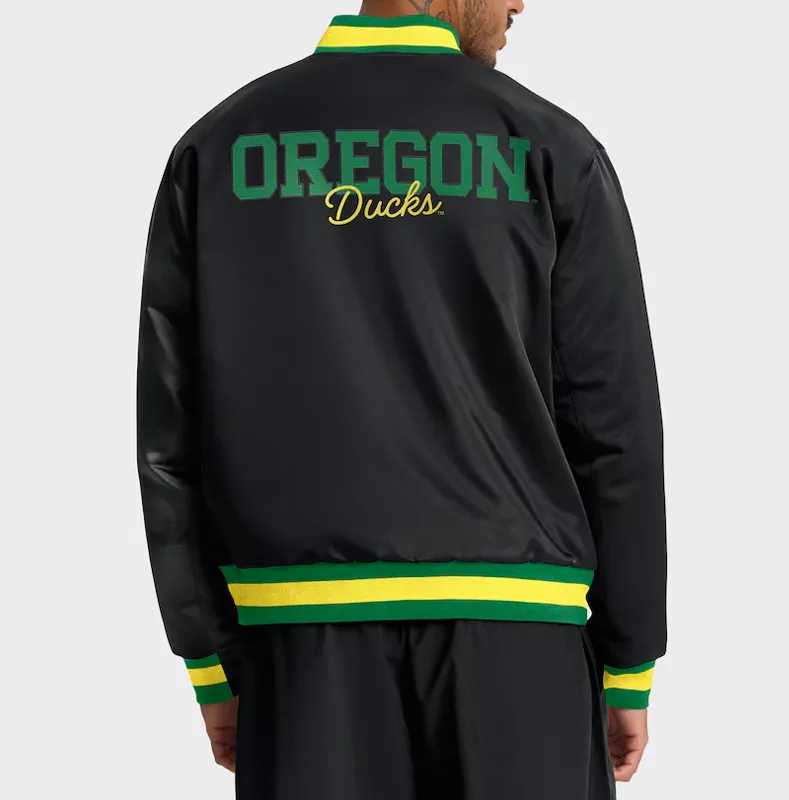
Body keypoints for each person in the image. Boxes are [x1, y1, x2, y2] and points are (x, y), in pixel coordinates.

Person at [136, 1, 667, 797]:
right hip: (519, 642)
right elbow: (613, 421)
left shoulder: (217, 148)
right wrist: (629, 658)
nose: (520, 2)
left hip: (301, 648)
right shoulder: (549, 145)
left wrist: (208, 657)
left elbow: (170, 434)